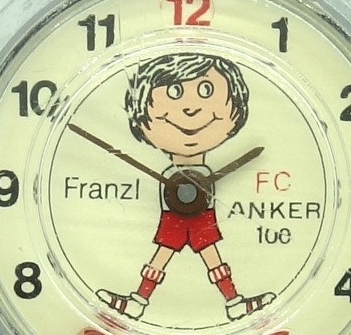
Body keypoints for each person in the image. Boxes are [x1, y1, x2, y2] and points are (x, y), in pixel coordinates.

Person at [96, 51, 274, 320]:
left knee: (182, 258)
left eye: (206, 90)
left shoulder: (198, 174)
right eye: (174, 91)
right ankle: (231, 302)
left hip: (198, 216)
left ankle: (139, 302)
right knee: (187, 258)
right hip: (177, 216)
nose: (191, 108)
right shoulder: (181, 174)